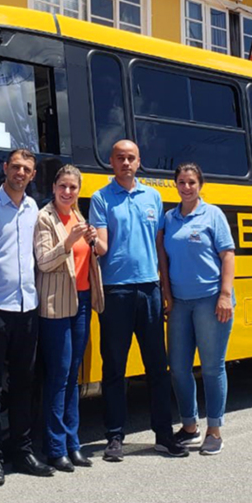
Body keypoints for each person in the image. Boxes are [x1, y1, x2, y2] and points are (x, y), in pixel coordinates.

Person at [89, 140, 189, 461]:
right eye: (120, 158)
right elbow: (102, 244)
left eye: (131, 158)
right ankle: (114, 437)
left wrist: (166, 290)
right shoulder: (101, 198)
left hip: (149, 290)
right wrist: (91, 242)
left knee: (158, 368)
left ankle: (163, 435)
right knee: (115, 369)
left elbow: (160, 247)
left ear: (139, 162)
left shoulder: (153, 197)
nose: (126, 163)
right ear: (112, 162)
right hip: (116, 291)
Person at [0, 149, 55, 486]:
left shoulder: (33, 207)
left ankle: (23, 450)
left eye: (27, 169)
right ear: (5, 169)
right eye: (15, 167)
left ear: (33, 175)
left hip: (26, 309)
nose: (20, 173)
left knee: (24, 383)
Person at [157, 162, 236, 456]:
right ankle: (190, 426)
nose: (186, 187)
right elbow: (163, 258)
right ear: (175, 185)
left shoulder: (212, 215)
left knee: (213, 368)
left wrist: (225, 295)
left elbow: (227, 255)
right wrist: (167, 294)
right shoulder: (170, 218)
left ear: (200, 185)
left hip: (210, 300)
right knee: (178, 368)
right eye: (181, 182)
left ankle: (214, 430)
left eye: (191, 182)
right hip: (179, 303)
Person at [34, 165, 105, 472]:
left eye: (73, 188)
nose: (67, 192)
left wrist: (90, 240)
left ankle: (73, 444)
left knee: (74, 376)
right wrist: (68, 241)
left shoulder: (80, 217)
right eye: (63, 186)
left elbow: (93, 256)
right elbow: (44, 262)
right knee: (59, 376)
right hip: (56, 304)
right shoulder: (44, 217)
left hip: (82, 300)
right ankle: (54, 447)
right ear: (53, 187)